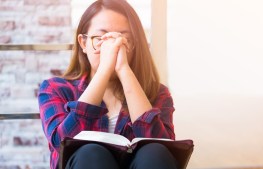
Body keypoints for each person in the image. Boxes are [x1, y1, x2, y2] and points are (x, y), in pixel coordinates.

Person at [38, 0, 177, 169]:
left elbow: (166, 152)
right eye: (100, 39)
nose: (111, 48)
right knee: (90, 153)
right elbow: (62, 144)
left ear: (134, 45)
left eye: (122, 40)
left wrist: (123, 69)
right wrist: (104, 70)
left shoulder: (157, 93)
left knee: (155, 151)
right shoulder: (56, 89)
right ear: (83, 43)